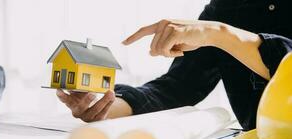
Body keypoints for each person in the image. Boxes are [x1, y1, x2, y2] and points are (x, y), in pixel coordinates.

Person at [57, 0, 292, 131]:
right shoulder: (224, 8)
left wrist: (219, 34)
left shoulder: (217, 25)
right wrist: (105, 105)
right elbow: (177, 88)